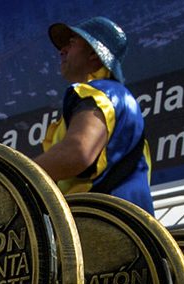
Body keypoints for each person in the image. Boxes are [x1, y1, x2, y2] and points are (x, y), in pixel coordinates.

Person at [34, 16, 154, 214]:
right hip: (125, 226)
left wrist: (14, 176)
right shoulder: (119, 101)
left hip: (104, 223)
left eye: (71, 43)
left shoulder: (101, 93)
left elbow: (77, 152)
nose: (61, 50)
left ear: (94, 54)